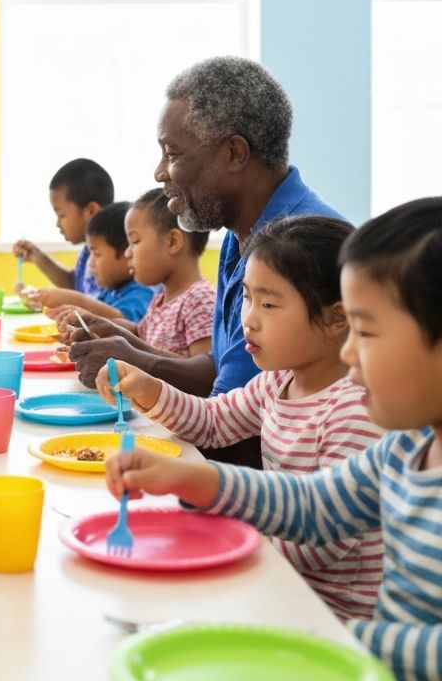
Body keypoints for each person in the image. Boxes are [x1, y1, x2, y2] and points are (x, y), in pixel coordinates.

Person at [105, 198, 442, 681]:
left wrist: (335, 635)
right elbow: (314, 504)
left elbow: (326, 548)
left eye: (367, 333)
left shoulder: (359, 416)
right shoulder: (404, 449)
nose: (350, 353)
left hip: (356, 656)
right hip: (342, 655)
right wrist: (191, 477)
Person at [98, 215, 384, 620]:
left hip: (331, 614)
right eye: (247, 298)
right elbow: (213, 422)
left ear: (336, 317)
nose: (248, 319)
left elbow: (321, 543)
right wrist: (150, 388)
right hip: (274, 585)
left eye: (268, 304)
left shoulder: (353, 411)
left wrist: (217, 526)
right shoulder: (277, 381)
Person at [69, 56, 345, 469]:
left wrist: (141, 361)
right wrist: (134, 355)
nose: (160, 172)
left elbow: (238, 435)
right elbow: (224, 378)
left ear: (234, 153)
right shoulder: (240, 233)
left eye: (172, 153)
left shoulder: (300, 250)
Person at [122, 188, 215, 356]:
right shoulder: (161, 300)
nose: (127, 253)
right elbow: (140, 335)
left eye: (135, 241)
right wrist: (99, 326)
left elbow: (204, 369)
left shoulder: (200, 300)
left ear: (172, 242)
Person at [27, 202, 154, 323]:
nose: (90, 263)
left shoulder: (143, 293)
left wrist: (75, 300)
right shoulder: (109, 290)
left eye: (96, 254)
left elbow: (126, 325)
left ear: (127, 254)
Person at [13, 158, 114, 300]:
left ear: (91, 211)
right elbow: (75, 285)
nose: (57, 223)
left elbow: (98, 304)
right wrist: (38, 256)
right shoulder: (88, 250)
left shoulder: (111, 256)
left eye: (61, 215)